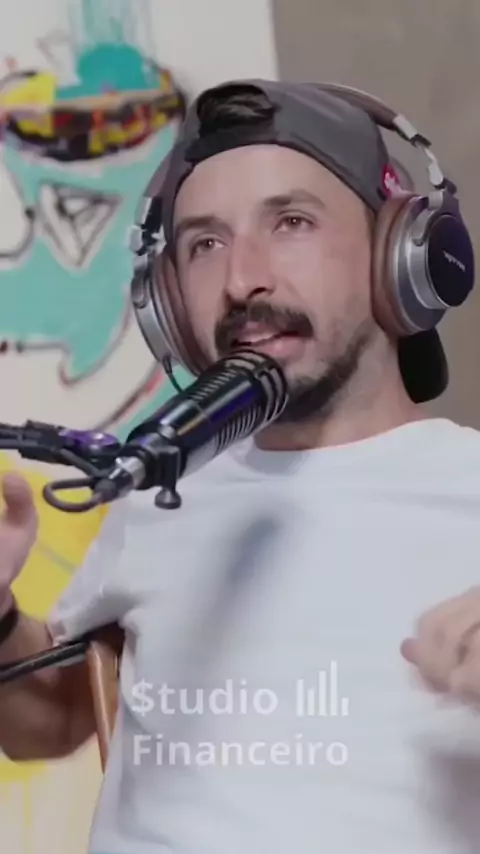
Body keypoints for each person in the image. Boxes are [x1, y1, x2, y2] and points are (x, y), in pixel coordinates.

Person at [2, 78, 480, 853]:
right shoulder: (160, 489)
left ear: (401, 253)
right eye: (205, 244)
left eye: (290, 222)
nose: (241, 279)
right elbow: (47, 721)